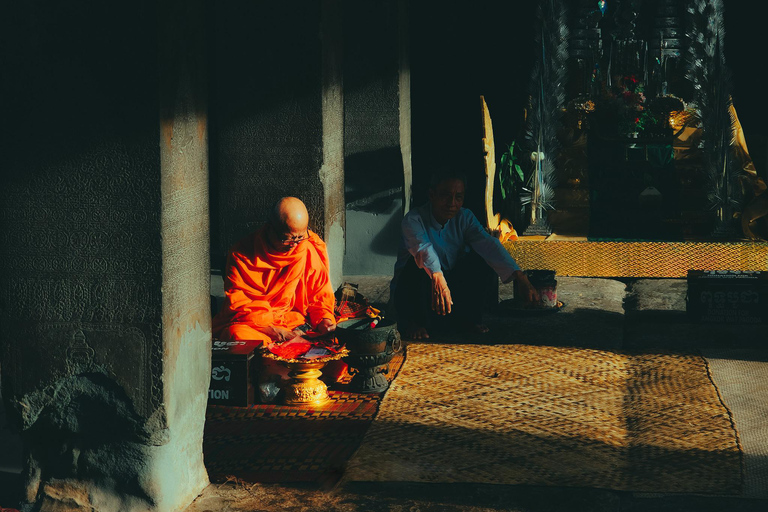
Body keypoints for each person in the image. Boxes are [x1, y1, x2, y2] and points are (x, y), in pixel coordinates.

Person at [391, 170, 539, 340]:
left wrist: (520, 277)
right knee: (418, 264)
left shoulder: (465, 217)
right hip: (417, 292)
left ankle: (468, 319)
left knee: (480, 258)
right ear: (432, 195)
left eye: (458, 197)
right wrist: (437, 276)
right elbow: (423, 248)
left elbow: (488, 245)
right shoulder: (413, 220)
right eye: (445, 195)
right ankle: (414, 322)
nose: (452, 203)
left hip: (447, 291)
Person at [213, 196, 337, 345]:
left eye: (299, 237)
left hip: (294, 322)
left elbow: (320, 295)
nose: (294, 245)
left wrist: (325, 320)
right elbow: (239, 305)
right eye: (287, 239)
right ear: (270, 228)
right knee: (236, 335)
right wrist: (273, 331)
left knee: (338, 340)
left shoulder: (306, 250)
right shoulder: (241, 254)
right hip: (258, 326)